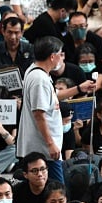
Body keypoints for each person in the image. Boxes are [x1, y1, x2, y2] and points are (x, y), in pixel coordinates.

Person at [16, 36, 65, 181]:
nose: (61, 59)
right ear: (52, 56)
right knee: (57, 192)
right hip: (44, 149)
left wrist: (80, 88)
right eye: (60, 54)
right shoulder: (40, 80)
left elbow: (54, 96)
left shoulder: (36, 72)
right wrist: (51, 144)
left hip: (43, 148)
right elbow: (39, 114)